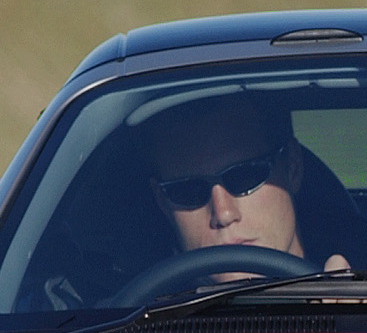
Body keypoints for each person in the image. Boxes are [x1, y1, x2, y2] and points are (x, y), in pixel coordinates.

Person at [143, 93, 346, 274]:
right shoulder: (132, 312)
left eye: (245, 176)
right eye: (188, 191)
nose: (223, 214)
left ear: (292, 167)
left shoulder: (366, 304)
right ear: (162, 202)